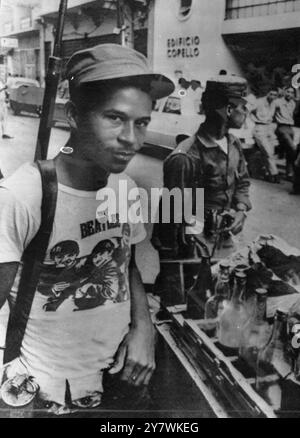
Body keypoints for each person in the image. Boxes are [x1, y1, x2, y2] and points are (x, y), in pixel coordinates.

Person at [0, 43, 174, 416]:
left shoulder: (123, 189)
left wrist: (143, 330)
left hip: (119, 384)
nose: (132, 138)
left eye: (141, 122)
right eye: (115, 118)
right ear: (74, 115)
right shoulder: (24, 194)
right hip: (44, 397)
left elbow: (126, 265)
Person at [153, 76, 252, 261]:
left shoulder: (234, 144)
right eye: (243, 106)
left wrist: (241, 209)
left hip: (227, 238)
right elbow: (170, 216)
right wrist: (172, 264)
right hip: (195, 244)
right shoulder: (185, 157)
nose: (247, 112)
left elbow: (243, 182)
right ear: (229, 110)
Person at [251, 87, 280, 183]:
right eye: (271, 94)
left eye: (275, 95)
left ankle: (267, 173)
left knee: (270, 152)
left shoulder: (274, 103)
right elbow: (247, 109)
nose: (273, 96)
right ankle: (274, 174)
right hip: (259, 128)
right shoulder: (259, 101)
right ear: (267, 93)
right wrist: (252, 120)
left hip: (269, 128)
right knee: (268, 152)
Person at [274, 86, 297, 181]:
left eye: (292, 93)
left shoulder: (293, 103)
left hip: (290, 128)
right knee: (292, 148)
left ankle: (289, 173)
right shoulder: (277, 102)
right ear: (284, 92)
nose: (290, 94)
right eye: (288, 92)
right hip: (281, 127)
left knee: (289, 152)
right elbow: (270, 112)